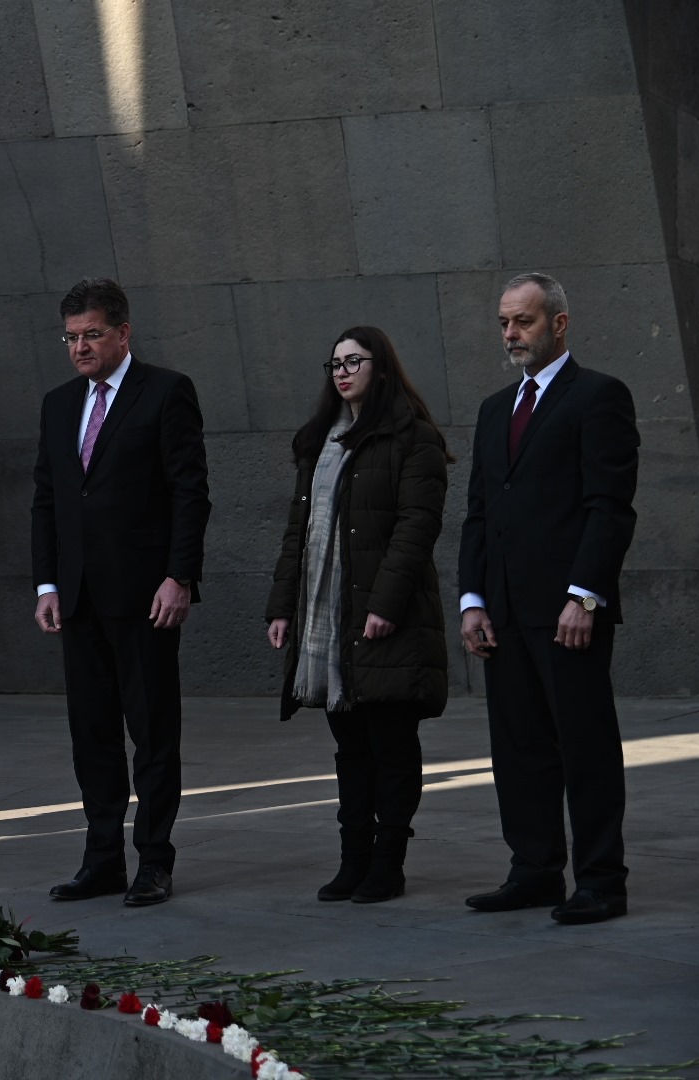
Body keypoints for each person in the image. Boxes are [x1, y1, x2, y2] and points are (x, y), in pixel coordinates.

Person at [458, 273, 640, 925]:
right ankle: (534, 870)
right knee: (519, 747)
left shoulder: (599, 397)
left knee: (584, 744)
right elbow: (479, 512)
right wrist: (472, 600)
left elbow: (608, 508)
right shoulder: (491, 411)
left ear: (559, 324)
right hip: (503, 612)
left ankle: (600, 881)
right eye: (505, 323)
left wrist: (584, 596)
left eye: (524, 322)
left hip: (569, 613)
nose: (511, 334)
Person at [31, 277, 211, 907]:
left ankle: (153, 862)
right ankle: (101, 858)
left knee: (154, 734)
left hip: (146, 598)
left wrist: (180, 575)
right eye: (71, 337)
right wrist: (47, 582)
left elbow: (190, 491)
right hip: (77, 600)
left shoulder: (165, 392)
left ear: (123, 333)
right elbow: (48, 501)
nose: (80, 347)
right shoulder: (58, 405)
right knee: (93, 736)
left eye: (92, 334)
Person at [264, 327, 452, 904]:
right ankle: (354, 859)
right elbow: (302, 532)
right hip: (326, 614)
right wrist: (282, 605)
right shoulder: (320, 441)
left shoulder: (412, 439)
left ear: (381, 367)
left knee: (390, 743)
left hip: (382, 614)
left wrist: (384, 606)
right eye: (335, 363)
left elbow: (415, 529)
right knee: (350, 747)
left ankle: (387, 863)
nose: (342, 372)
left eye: (354, 361)